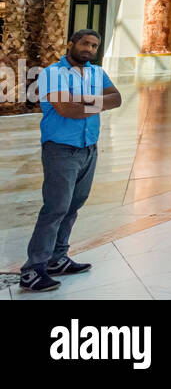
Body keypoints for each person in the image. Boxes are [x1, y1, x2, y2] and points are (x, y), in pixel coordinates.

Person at [20, 30, 121, 292]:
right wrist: (98, 102)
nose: (89, 49)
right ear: (71, 44)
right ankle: (33, 269)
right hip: (61, 149)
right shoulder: (54, 73)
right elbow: (67, 110)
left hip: (89, 149)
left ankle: (58, 258)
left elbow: (117, 98)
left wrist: (82, 102)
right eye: (85, 43)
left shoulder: (97, 73)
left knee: (74, 206)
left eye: (95, 45)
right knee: (55, 209)